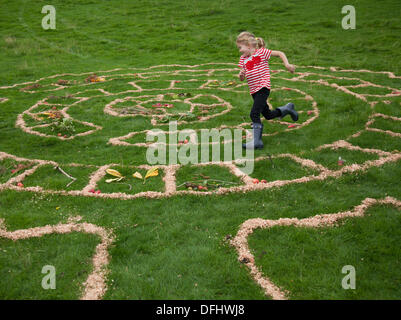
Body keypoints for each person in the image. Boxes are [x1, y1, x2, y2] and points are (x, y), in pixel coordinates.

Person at [237, 31, 298, 149]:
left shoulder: (261, 53)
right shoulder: (243, 59)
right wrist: (241, 75)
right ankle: (286, 109)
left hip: (263, 88)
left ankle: (257, 142)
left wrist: (287, 64)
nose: (239, 50)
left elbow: (280, 53)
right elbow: (242, 78)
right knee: (268, 115)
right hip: (253, 90)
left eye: (240, 47)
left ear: (248, 45)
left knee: (254, 113)